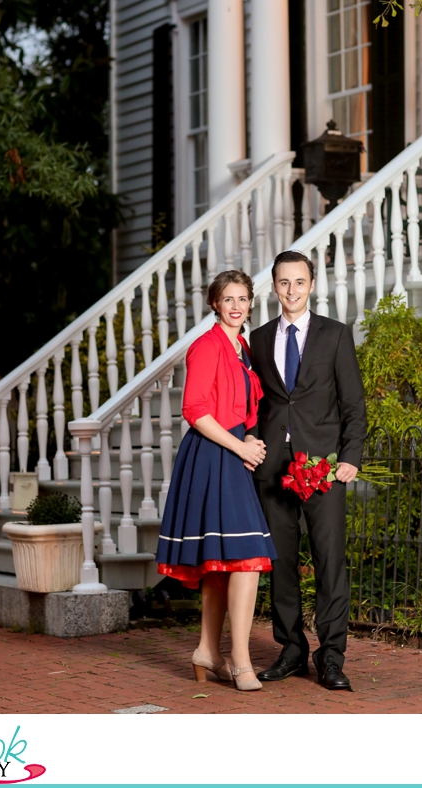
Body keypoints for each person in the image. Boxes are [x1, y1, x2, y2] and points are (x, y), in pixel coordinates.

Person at [248, 250, 367, 691]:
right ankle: (292, 650)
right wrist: (248, 446)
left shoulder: (335, 335)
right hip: (273, 466)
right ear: (274, 287)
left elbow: (354, 404)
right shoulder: (258, 340)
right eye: (284, 283)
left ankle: (332, 657)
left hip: (325, 468)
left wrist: (350, 456)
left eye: (299, 282)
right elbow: (257, 404)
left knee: (329, 562)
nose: (292, 291)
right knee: (281, 563)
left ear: (311, 285)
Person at [156, 269, 275, 692]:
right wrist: (240, 447)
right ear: (214, 304)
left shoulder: (241, 347)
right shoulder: (206, 346)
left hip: (232, 453)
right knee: (247, 556)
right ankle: (241, 661)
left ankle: (208, 650)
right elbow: (195, 409)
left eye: (243, 299)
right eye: (229, 299)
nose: (237, 306)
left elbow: (243, 408)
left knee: (223, 560)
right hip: (212, 456)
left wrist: (250, 439)